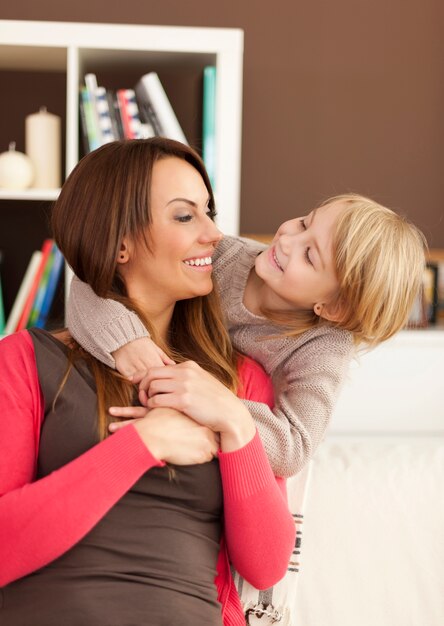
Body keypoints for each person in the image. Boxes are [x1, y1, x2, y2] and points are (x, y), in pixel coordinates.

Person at [0, 138, 296, 626]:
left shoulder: (236, 379)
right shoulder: (24, 362)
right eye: (185, 216)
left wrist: (236, 424)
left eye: (209, 211)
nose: (216, 235)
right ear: (119, 243)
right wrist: (143, 442)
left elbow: (264, 567)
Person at [67, 192, 427, 478]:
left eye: (309, 255)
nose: (287, 239)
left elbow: (293, 448)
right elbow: (90, 281)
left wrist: (220, 407)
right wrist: (127, 339)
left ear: (332, 308)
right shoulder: (219, 255)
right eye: (304, 223)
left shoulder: (324, 346)